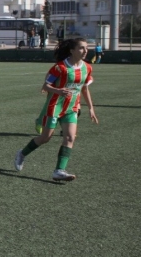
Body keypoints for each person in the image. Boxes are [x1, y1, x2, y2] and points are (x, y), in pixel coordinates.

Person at [14, 38, 99, 182]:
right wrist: (59, 91)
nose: (85, 51)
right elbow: (45, 86)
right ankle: (22, 153)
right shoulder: (60, 68)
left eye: (86, 48)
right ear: (72, 51)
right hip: (55, 106)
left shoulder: (87, 68)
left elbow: (84, 88)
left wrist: (91, 108)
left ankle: (59, 171)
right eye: (81, 48)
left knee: (70, 138)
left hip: (71, 108)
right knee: (45, 138)